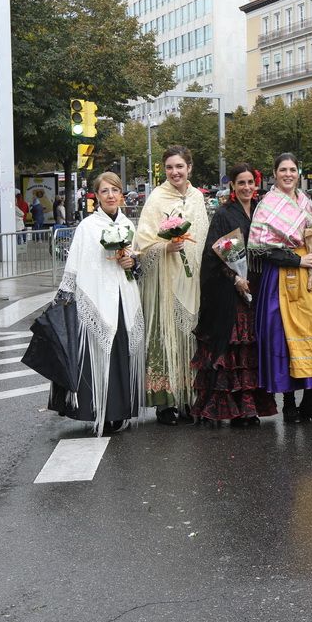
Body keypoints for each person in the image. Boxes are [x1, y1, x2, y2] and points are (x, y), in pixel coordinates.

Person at [46, 171, 144, 434]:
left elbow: (137, 266)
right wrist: (65, 299)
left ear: (121, 194)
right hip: (98, 300)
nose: (110, 195)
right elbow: (75, 267)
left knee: (122, 356)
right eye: (104, 191)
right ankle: (101, 410)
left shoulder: (129, 225)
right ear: (96, 196)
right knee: (99, 356)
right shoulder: (87, 228)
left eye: (115, 190)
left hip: (124, 300)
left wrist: (132, 262)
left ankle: (122, 410)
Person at [249, 152, 312, 424]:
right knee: (282, 338)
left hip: (310, 272)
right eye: (283, 169)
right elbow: (260, 248)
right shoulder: (267, 204)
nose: (288, 174)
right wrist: (297, 260)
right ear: (274, 173)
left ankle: (310, 402)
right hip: (280, 277)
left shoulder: (306, 201)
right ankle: (288, 403)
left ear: (298, 172)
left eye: (292, 169)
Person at [190, 163, 277, 427]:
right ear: (233, 186)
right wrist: (235, 278)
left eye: (251, 182)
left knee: (252, 350)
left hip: (259, 288)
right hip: (231, 293)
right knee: (233, 350)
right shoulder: (224, 214)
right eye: (241, 183)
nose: (247, 188)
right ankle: (232, 410)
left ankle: (250, 408)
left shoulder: (263, 212)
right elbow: (212, 254)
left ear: (257, 184)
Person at [134, 145, 210, 425]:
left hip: (193, 280)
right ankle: (165, 403)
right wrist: (166, 246)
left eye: (180, 166)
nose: (175, 172)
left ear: (189, 167)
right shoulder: (156, 199)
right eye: (169, 168)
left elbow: (202, 237)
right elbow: (142, 241)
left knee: (191, 341)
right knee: (165, 337)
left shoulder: (198, 198)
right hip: (165, 282)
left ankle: (189, 398)